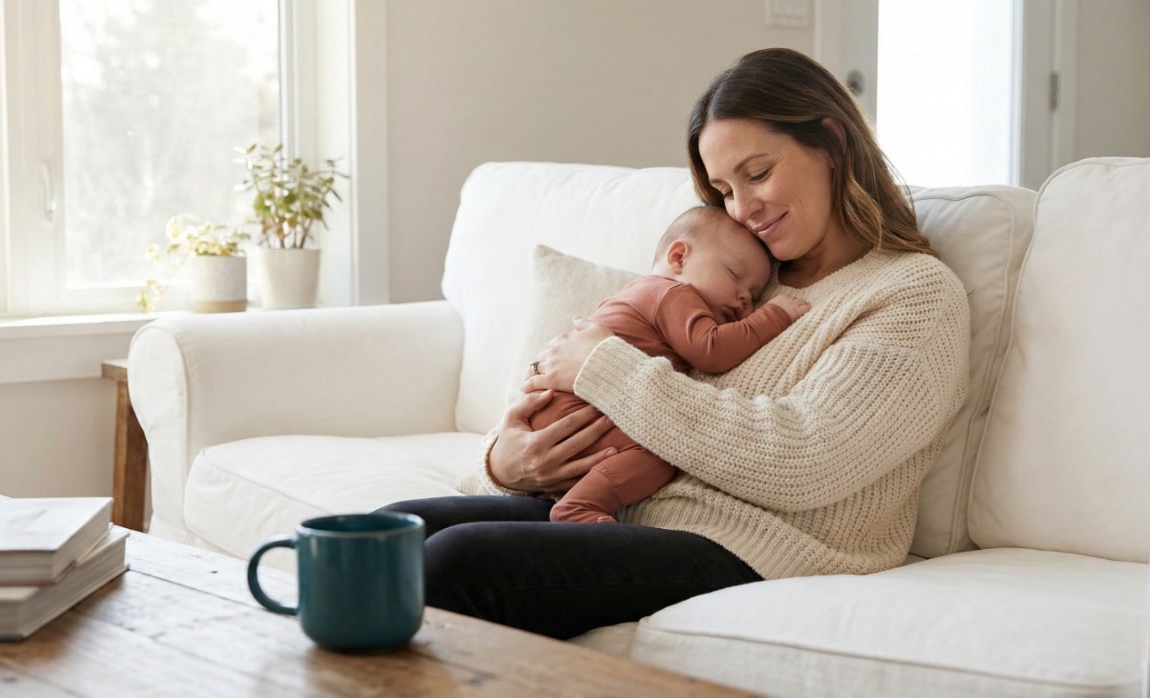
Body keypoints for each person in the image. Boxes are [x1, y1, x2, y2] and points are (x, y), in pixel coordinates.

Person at [378, 47, 969, 640]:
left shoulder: (913, 294)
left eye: (758, 174)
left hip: (755, 544)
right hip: (617, 507)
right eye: (724, 190)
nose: (745, 209)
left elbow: (805, 461)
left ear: (834, 142)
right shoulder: (742, 277)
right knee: (387, 532)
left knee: (458, 562)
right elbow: (601, 387)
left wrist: (604, 367)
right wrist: (505, 464)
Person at [536, 206, 810, 524]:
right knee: (665, 445)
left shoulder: (637, 294)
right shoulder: (673, 293)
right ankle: (579, 507)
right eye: (735, 276)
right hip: (579, 411)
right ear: (679, 257)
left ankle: (569, 498)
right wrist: (774, 314)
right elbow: (712, 350)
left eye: (754, 294)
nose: (744, 300)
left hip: (554, 417)